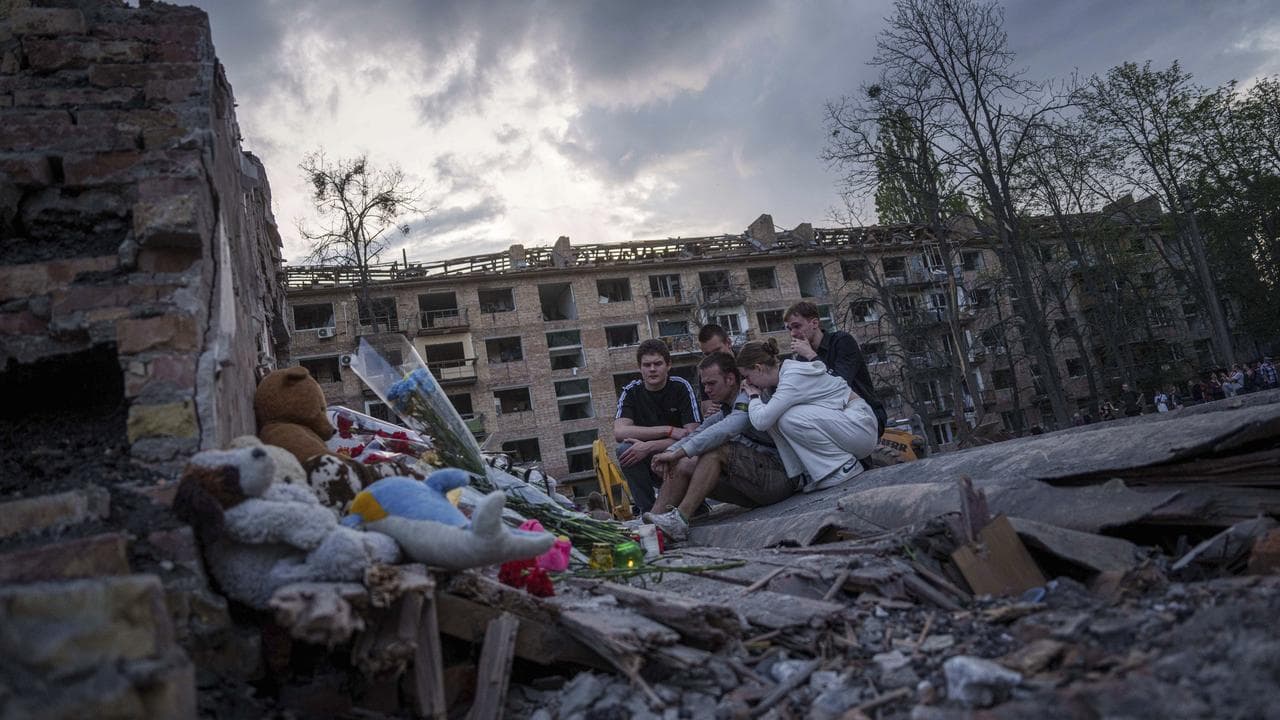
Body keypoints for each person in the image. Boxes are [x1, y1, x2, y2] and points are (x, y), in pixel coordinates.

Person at [643, 352, 800, 541]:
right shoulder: (724, 410)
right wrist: (669, 453)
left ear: (730, 379)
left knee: (715, 449)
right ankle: (649, 531)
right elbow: (699, 433)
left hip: (780, 479)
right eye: (704, 384)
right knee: (683, 464)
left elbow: (726, 430)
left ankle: (680, 520)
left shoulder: (749, 398)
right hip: (754, 487)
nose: (706, 390)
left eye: (711, 383)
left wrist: (678, 452)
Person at [737, 338, 879, 491]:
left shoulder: (792, 377)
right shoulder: (784, 377)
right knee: (778, 418)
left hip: (860, 425)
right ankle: (809, 474)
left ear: (758, 368)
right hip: (850, 426)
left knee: (789, 418)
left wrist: (753, 396)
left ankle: (844, 466)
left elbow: (760, 421)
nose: (748, 382)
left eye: (747, 376)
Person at [613, 339, 701, 514]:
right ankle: (647, 511)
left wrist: (650, 446)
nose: (652, 369)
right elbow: (620, 431)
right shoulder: (631, 391)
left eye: (657, 364)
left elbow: (694, 436)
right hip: (650, 464)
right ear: (640, 368)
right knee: (625, 449)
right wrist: (668, 430)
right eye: (647, 365)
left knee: (691, 455)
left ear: (668, 365)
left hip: (676, 456)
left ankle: (692, 504)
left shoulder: (680, 387)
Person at [783, 302, 887, 445]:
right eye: (789, 329)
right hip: (833, 416)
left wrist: (811, 355)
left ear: (814, 323)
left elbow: (839, 384)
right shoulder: (802, 358)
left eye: (797, 326)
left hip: (865, 415)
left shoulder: (842, 341)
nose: (793, 333)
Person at [696, 324, 735, 417]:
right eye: (707, 354)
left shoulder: (747, 362)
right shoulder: (706, 372)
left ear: (728, 343)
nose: (713, 358)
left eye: (717, 351)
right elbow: (706, 408)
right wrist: (710, 413)